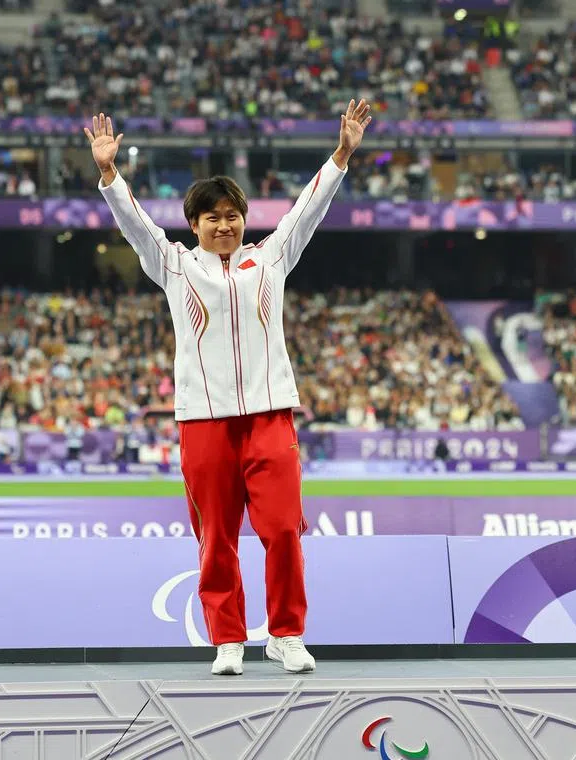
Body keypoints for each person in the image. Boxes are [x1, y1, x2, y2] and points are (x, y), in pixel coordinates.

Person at [87, 100, 372, 676]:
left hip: (271, 419)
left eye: (232, 215)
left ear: (244, 219)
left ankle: (287, 634)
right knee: (216, 540)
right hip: (203, 423)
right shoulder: (173, 266)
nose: (224, 225)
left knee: (284, 531)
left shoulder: (270, 259)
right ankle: (228, 640)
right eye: (211, 217)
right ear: (193, 225)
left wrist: (341, 154)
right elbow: (136, 226)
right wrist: (110, 175)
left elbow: (306, 211)